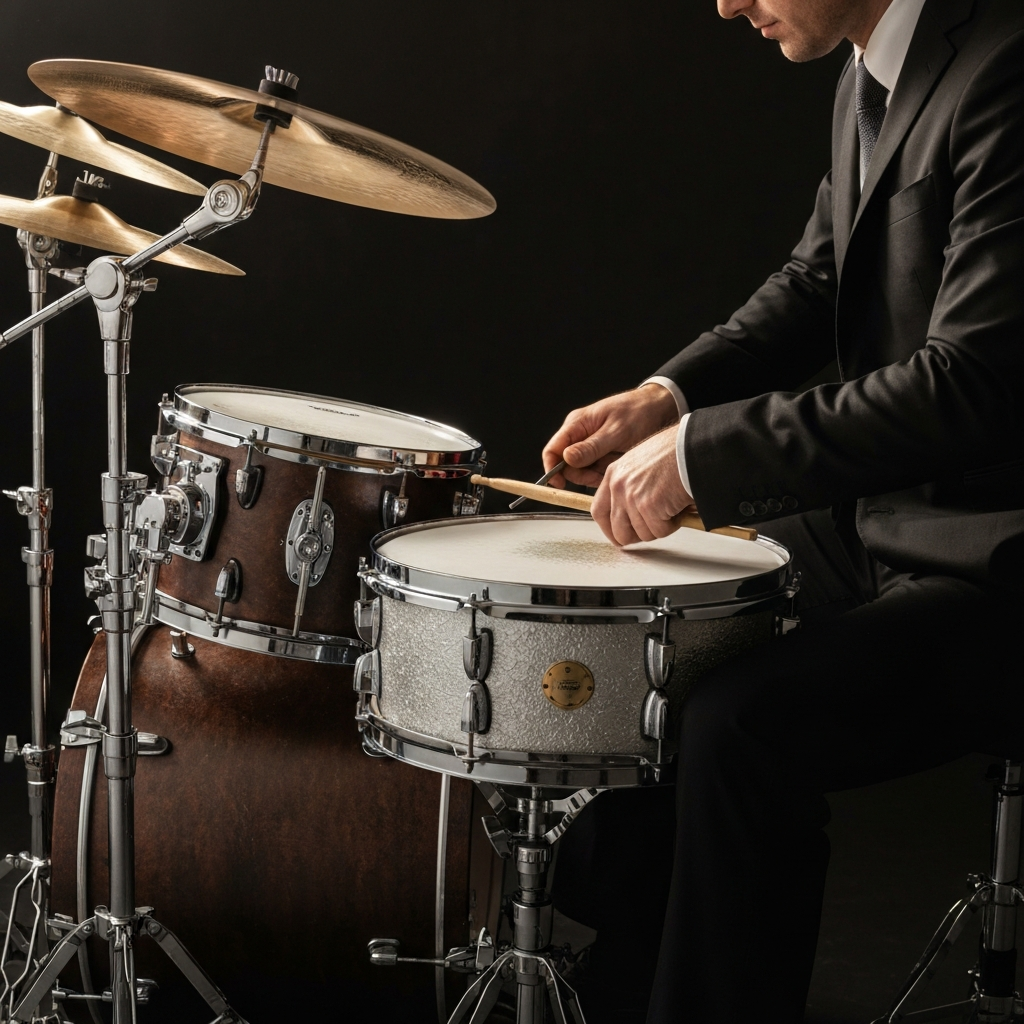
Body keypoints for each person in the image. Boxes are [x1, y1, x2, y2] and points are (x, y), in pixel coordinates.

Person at [541, 0, 1023, 1017]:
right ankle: (636, 983)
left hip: (996, 555)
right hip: (887, 520)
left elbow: (967, 384)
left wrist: (699, 461)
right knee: (661, 642)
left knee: (741, 723)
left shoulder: (1008, 68)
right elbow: (816, 280)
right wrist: (665, 399)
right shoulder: (865, 66)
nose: (724, 4)